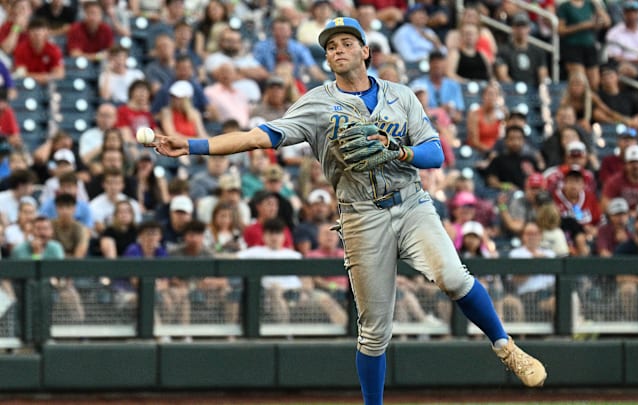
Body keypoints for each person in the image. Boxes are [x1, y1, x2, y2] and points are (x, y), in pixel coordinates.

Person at [150, 17, 546, 402]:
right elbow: (261, 136)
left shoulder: (400, 95)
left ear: (365, 51)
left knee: (453, 277)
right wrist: (192, 144)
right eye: (331, 46)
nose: (338, 49)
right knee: (374, 332)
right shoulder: (319, 103)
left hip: (410, 202)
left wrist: (398, 149)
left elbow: (435, 153)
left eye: (346, 42)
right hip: (360, 215)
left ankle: (504, 346)